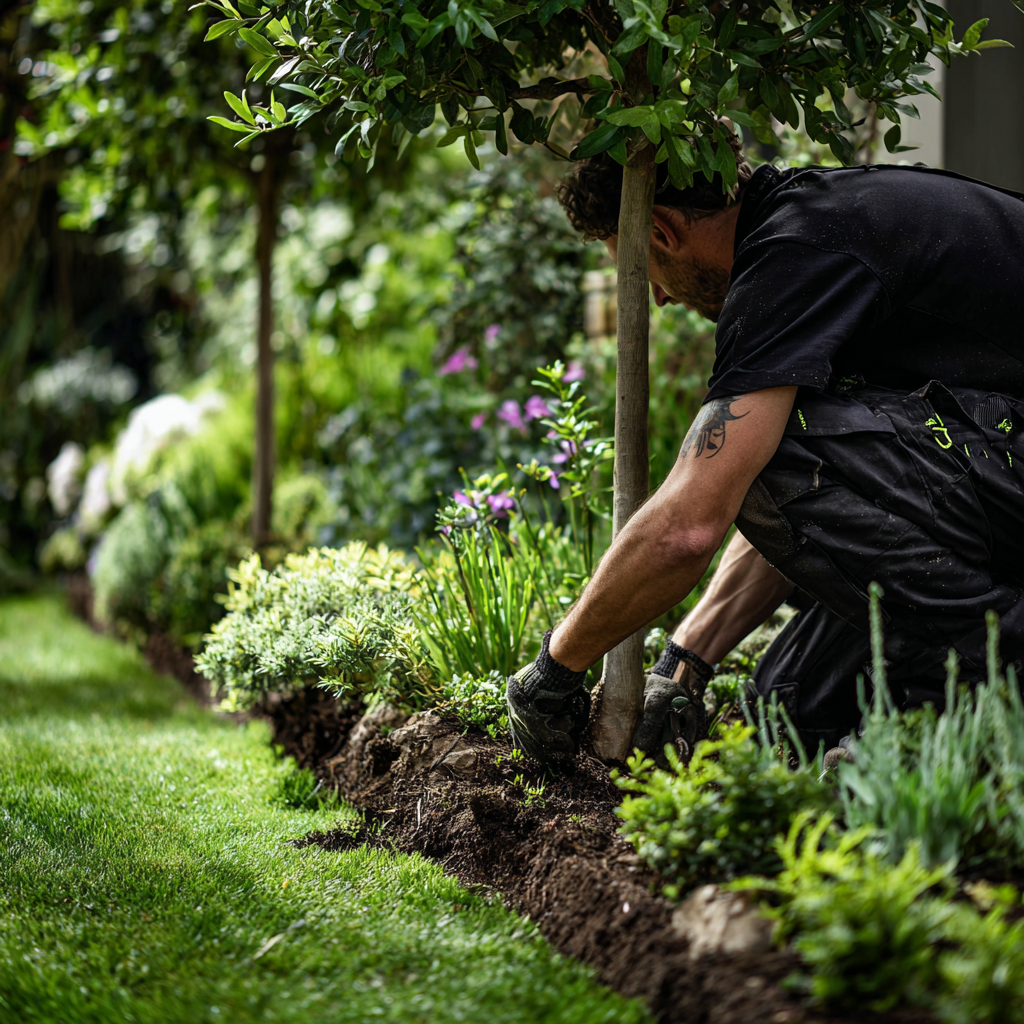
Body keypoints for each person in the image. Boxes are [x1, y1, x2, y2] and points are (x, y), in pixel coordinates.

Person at [506, 140, 1024, 766]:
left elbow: (693, 524)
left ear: (663, 232)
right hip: (997, 464)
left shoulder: (795, 255)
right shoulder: (810, 223)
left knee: (763, 461)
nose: (662, 300)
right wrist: (684, 661)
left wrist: (554, 671)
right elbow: (826, 492)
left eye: (647, 277)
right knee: (784, 709)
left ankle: (999, 670)